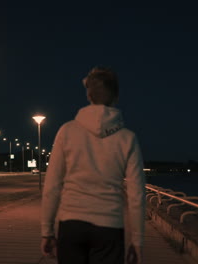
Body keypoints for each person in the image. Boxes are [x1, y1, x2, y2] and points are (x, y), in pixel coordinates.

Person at [41, 66, 146, 264]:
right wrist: (137, 241)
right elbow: (136, 194)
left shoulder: (67, 131)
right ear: (115, 96)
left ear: (89, 95)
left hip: (71, 224)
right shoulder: (127, 138)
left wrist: (46, 231)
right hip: (109, 227)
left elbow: (52, 185)